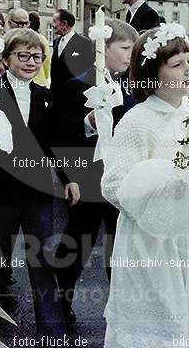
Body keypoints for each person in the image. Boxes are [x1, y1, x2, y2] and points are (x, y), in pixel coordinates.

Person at [100, 26, 189, 346]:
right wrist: (161, 187)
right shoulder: (137, 121)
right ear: (153, 73)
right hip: (149, 243)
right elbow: (114, 183)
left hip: (188, 241)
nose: (188, 69)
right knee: (158, 320)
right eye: (177, 65)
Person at [0, 28, 74, 340]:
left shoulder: (46, 97)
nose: (30, 62)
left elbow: (56, 143)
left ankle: (50, 329)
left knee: (42, 259)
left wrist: (69, 180)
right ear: (6, 58)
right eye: (22, 55)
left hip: (37, 191)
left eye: (37, 56)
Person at [53, 20, 138, 328]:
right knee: (78, 242)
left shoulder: (129, 84)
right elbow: (62, 132)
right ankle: (61, 297)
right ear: (103, 48)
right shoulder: (76, 84)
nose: (131, 55)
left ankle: (120, 307)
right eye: (125, 48)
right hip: (88, 178)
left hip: (120, 179)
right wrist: (90, 120)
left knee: (121, 246)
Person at [50, 9, 93, 101]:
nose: (52, 25)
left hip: (75, 99)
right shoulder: (56, 42)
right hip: (56, 98)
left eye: (54, 21)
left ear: (64, 24)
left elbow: (88, 73)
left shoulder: (85, 44)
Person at [28, 11, 51, 87]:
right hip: (40, 79)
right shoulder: (42, 39)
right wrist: (46, 76)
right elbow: (47, 60)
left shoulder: (23, 38)